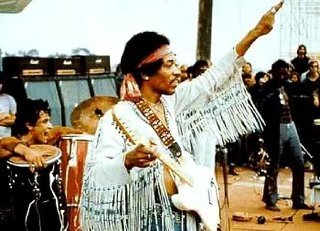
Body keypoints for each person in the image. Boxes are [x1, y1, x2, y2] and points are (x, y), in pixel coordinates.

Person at [80, 2, 283, 231]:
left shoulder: (171, 102)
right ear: (146, 72)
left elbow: (213, 78)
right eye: (170, 64)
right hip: (148, 221)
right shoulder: (118, 118)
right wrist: (127, 160)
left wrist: (255, 33)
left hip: (184, 214)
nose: (178, 71)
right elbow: (95, 175)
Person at [0, 98, 83, 231]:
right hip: (8, 217)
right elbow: (7, 143)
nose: (49, 125)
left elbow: (60, 130)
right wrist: (27, 152)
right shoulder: (9, 144)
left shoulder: (46, 140)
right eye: (44, 121)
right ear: (29, 125)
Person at [260, 59, 312, 211]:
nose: (284, 74)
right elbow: (264, 106)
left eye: (286, 71)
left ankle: (298, 199)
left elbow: (300, 94)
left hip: (290, 125)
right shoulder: (268, 88)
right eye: (281, 72)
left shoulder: (288, 86)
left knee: (299, 162)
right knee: (274, 163)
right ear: (275, 72)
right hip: (277, 127)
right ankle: (270, 199)